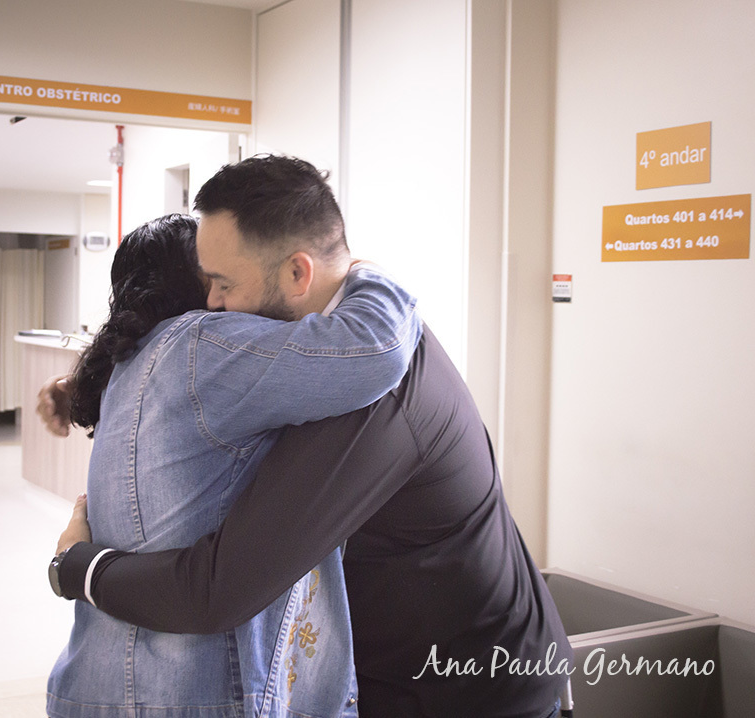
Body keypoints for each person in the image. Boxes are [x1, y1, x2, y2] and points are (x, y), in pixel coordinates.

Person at [45, 155, 574, 718]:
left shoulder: (370, 389)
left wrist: (75, 566)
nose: (212, 306)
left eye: (223, 284)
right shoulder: (323, 363)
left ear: (298, 274)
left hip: (479, 694)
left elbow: (219, 589)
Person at [45, 211, 421, 718]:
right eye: (217, 276)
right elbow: (373, 346)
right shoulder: (202, 344)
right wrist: (354, 269)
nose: (226, 294)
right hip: (187, 694)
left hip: (96, 684)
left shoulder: (133, 364)